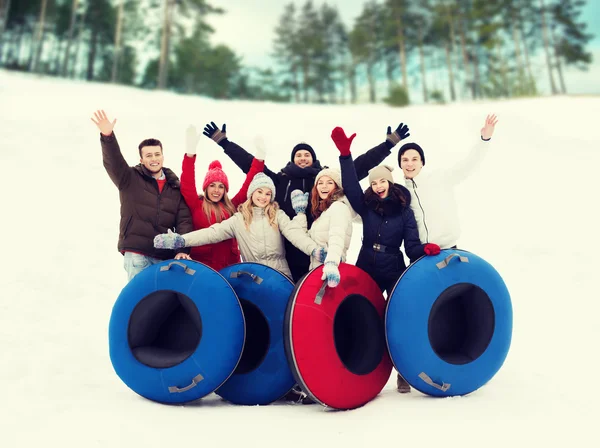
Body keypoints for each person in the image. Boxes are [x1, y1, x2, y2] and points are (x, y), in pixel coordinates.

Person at [200, 121, 409, 282]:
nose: (302, 158)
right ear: (292, 159)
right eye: (298, 155)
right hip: (288, 248)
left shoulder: (324, 178)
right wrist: (224, 142)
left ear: (313, 159)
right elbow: (250, 165)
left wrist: (388, 144)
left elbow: (359, 167)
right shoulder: (280, 180)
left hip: (319, 248)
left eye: (306, 154)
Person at [153, 172, 326, 280]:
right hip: (254, 275)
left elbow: (295, 234)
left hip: (280, 274)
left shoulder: (277, 215)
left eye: (268, 194)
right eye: (260, 192)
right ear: (252, 194)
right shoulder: (239, 219)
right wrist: (181, 240)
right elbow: (212, 233)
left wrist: (313, 249)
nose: (263, 197)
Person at [332, 125, 439, 295]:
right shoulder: (367, 206)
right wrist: (345, 155)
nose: (378, 186)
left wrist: (424, 249)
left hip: (393, 269)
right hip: (366, 264)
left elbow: (411, 247)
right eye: (373, 183)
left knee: (396, 305)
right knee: (361, 306)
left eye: (382, 181)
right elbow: (351, 186)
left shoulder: (404, 212)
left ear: (389, 182)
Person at [90, 109, 193, 282]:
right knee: (140, 298)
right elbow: (113, 162)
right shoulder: (129, 179)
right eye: (149, 155)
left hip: (164, 256)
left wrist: (182, 250)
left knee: (161, 300)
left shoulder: (174, 187)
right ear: (141, 159)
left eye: (157, 154)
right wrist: (107, 136)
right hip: (137, 252)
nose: (154, 159)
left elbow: (184, 221)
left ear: (163, 156)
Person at [398, 114, 499, 251]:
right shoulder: (402, 194)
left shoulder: (439, 179)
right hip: (422, 255)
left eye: (414, 159)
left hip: (449, 250)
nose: (410, 164)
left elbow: (468, 165)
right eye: (405, 160)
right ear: (400, 164)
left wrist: (484, 140)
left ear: (422, 163)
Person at [180, 125, 265, 271]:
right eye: (212, 185)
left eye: (221, 186)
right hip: (202, 267)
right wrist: (190, 153)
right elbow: (187, 182)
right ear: (206, 188)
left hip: (229, 268)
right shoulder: (196, 204)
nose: (216, 190)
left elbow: (249, 184)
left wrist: (259, 157)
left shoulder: (233, 206)